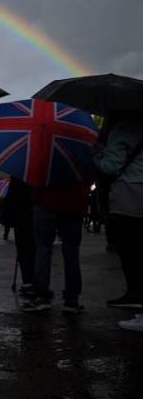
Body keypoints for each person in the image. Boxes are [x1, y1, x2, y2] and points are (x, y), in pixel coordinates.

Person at [93, 113, 143, 321]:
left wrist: (97, 153)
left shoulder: (122, 129)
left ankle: (136, 293)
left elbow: (110, 167)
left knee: (129, 247)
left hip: (128, 195)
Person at [20, 182, 88, 314]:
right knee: (72, 252)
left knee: (43, 250)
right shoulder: (79, 161)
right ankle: (72, 299)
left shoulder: (42, 160)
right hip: (73, 202)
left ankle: (41, 296)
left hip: (45, 200)